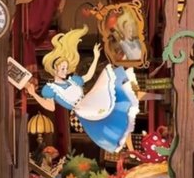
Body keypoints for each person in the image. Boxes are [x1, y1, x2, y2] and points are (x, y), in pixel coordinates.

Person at [25, 26, 139, 154]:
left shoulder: (73, 80)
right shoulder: (51, 89)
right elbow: (50, 107)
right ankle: (128, 148)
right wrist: (34, 94)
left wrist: (96, 57)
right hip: (83, 110)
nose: (65, 71)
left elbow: (88, 76)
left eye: (66, 68)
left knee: (114, 96)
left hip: (90, 100)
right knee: (111, 125)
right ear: (54, 70)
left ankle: (127, 61)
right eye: (62, 69)